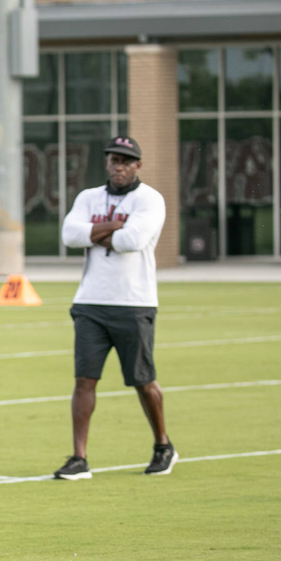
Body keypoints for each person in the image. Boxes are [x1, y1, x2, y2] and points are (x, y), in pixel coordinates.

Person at [56, 135, 177, 480]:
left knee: (143, 380)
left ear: (138, 165)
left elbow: (133, 241)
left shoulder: (150, 199)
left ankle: (162, 445)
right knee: (84, 381)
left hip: (133, 302)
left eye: (125, 161)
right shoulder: (89, 197)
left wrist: (93, 233)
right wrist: (111, 226)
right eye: (113, 160)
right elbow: (69, 234)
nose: (118, 166)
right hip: (90, 301)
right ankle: (79, 458)